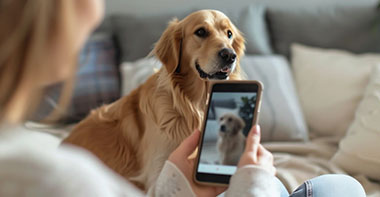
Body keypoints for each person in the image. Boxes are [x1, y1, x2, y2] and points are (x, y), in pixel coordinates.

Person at [0, 0, 366, 196]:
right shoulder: (58, 179)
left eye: (227, 37)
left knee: (346, 186)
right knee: (339, 190)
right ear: (175, 49)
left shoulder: (225, 106)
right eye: (202, 34)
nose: (223, 47)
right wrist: (253, 184)